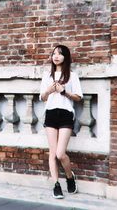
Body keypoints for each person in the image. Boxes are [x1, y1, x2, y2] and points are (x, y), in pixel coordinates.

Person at [40, 45, 83, 199]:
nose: (56, 56)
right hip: (50, 114)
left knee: (60, 154)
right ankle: (56, 185)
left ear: (66, 57)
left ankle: (70, 177)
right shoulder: (47, 75)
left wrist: (64, 92)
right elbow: (42, 97)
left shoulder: (72, 75)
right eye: (54, 53)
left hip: (65, 115)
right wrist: (49, 91)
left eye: (60, 53)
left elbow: (79, 97)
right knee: (52, 153)